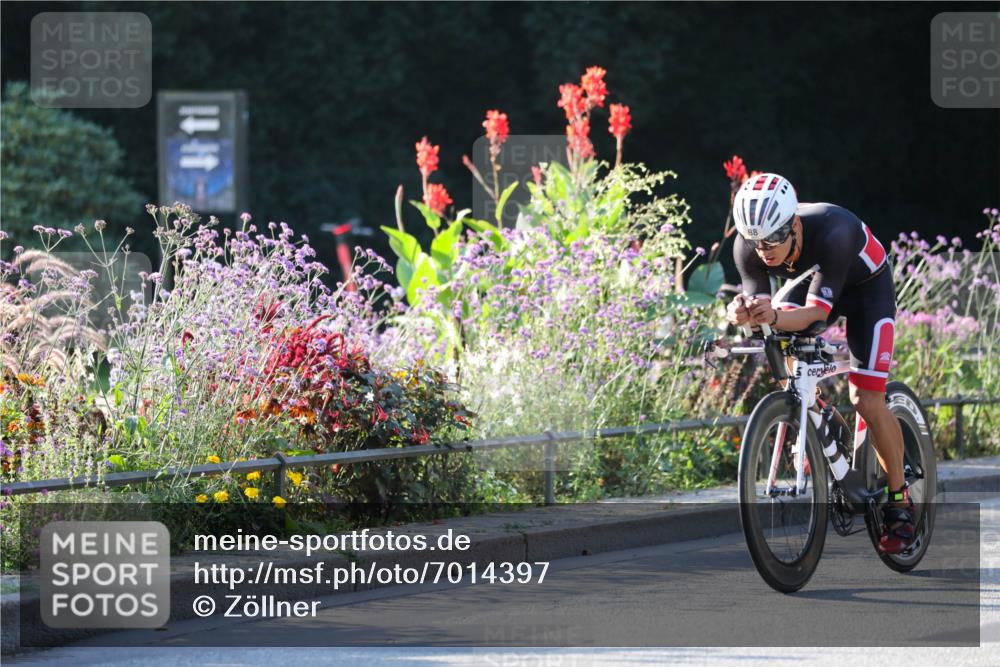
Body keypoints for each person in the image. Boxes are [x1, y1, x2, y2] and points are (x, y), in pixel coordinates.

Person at [724, 172, 913, 554]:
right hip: (812, 283)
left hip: (865, 291)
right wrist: (741, 313)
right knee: (784, 356)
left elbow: (814, 315)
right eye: (756, 241)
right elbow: (761, 314)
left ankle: (900, 501)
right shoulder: (749, 246)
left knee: (867, 399)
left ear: (794, 225)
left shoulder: (833, 230)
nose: (764, 250)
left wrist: (774, 316)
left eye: (773, 239)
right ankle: (821, 423)